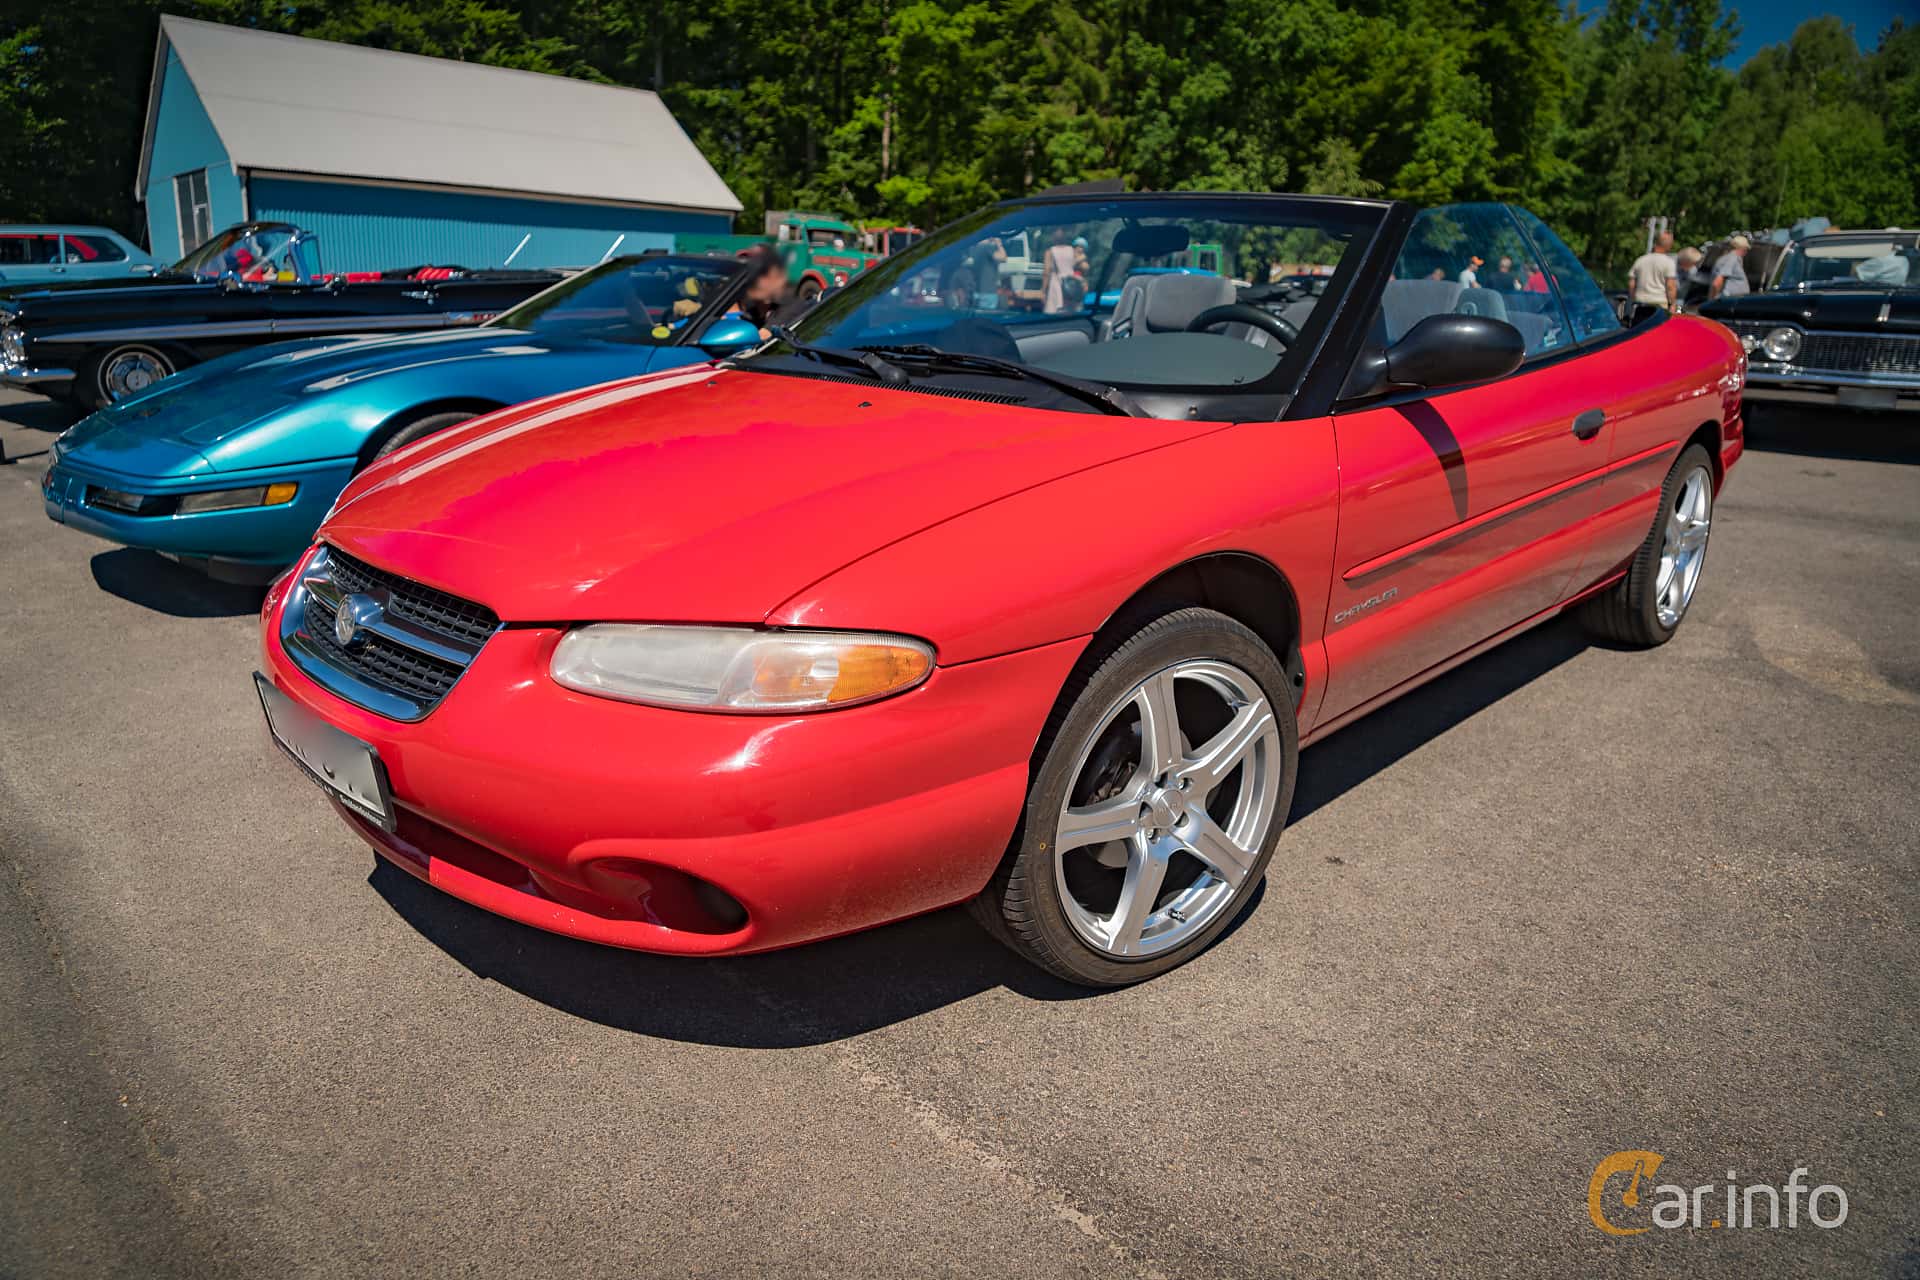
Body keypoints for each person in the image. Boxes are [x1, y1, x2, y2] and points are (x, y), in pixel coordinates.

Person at [732, 247, 797, 339]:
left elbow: (759, 337)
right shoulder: (751, 311)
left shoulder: (791, 307)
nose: (751, 280)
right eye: (743, 274)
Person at [1628, 230, 1678, 311]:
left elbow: (1631, 284)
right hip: (1659, 305)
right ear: (1669, 245)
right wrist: (1672, 304)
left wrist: (1634, 299)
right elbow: (1670, 286)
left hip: (1640, 303)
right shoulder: (1669, 262)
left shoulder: (1640, 260)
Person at [1041, 228, 1078, 314]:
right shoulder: (1072, 250)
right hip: (1070, 285)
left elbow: (1047, 272)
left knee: (1053, 312)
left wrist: (1043, 291)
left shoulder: (1050, 251)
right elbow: (1081, 266)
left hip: (1056, 284)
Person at [1710, 235, 1751, 300]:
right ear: (1742, 248)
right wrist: (1712, 302)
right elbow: (1717, 282)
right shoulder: (1732, 258)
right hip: (1728, 302)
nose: (1746, 252)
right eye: (1746, 249)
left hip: (1731, 302)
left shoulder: (1727, 258)